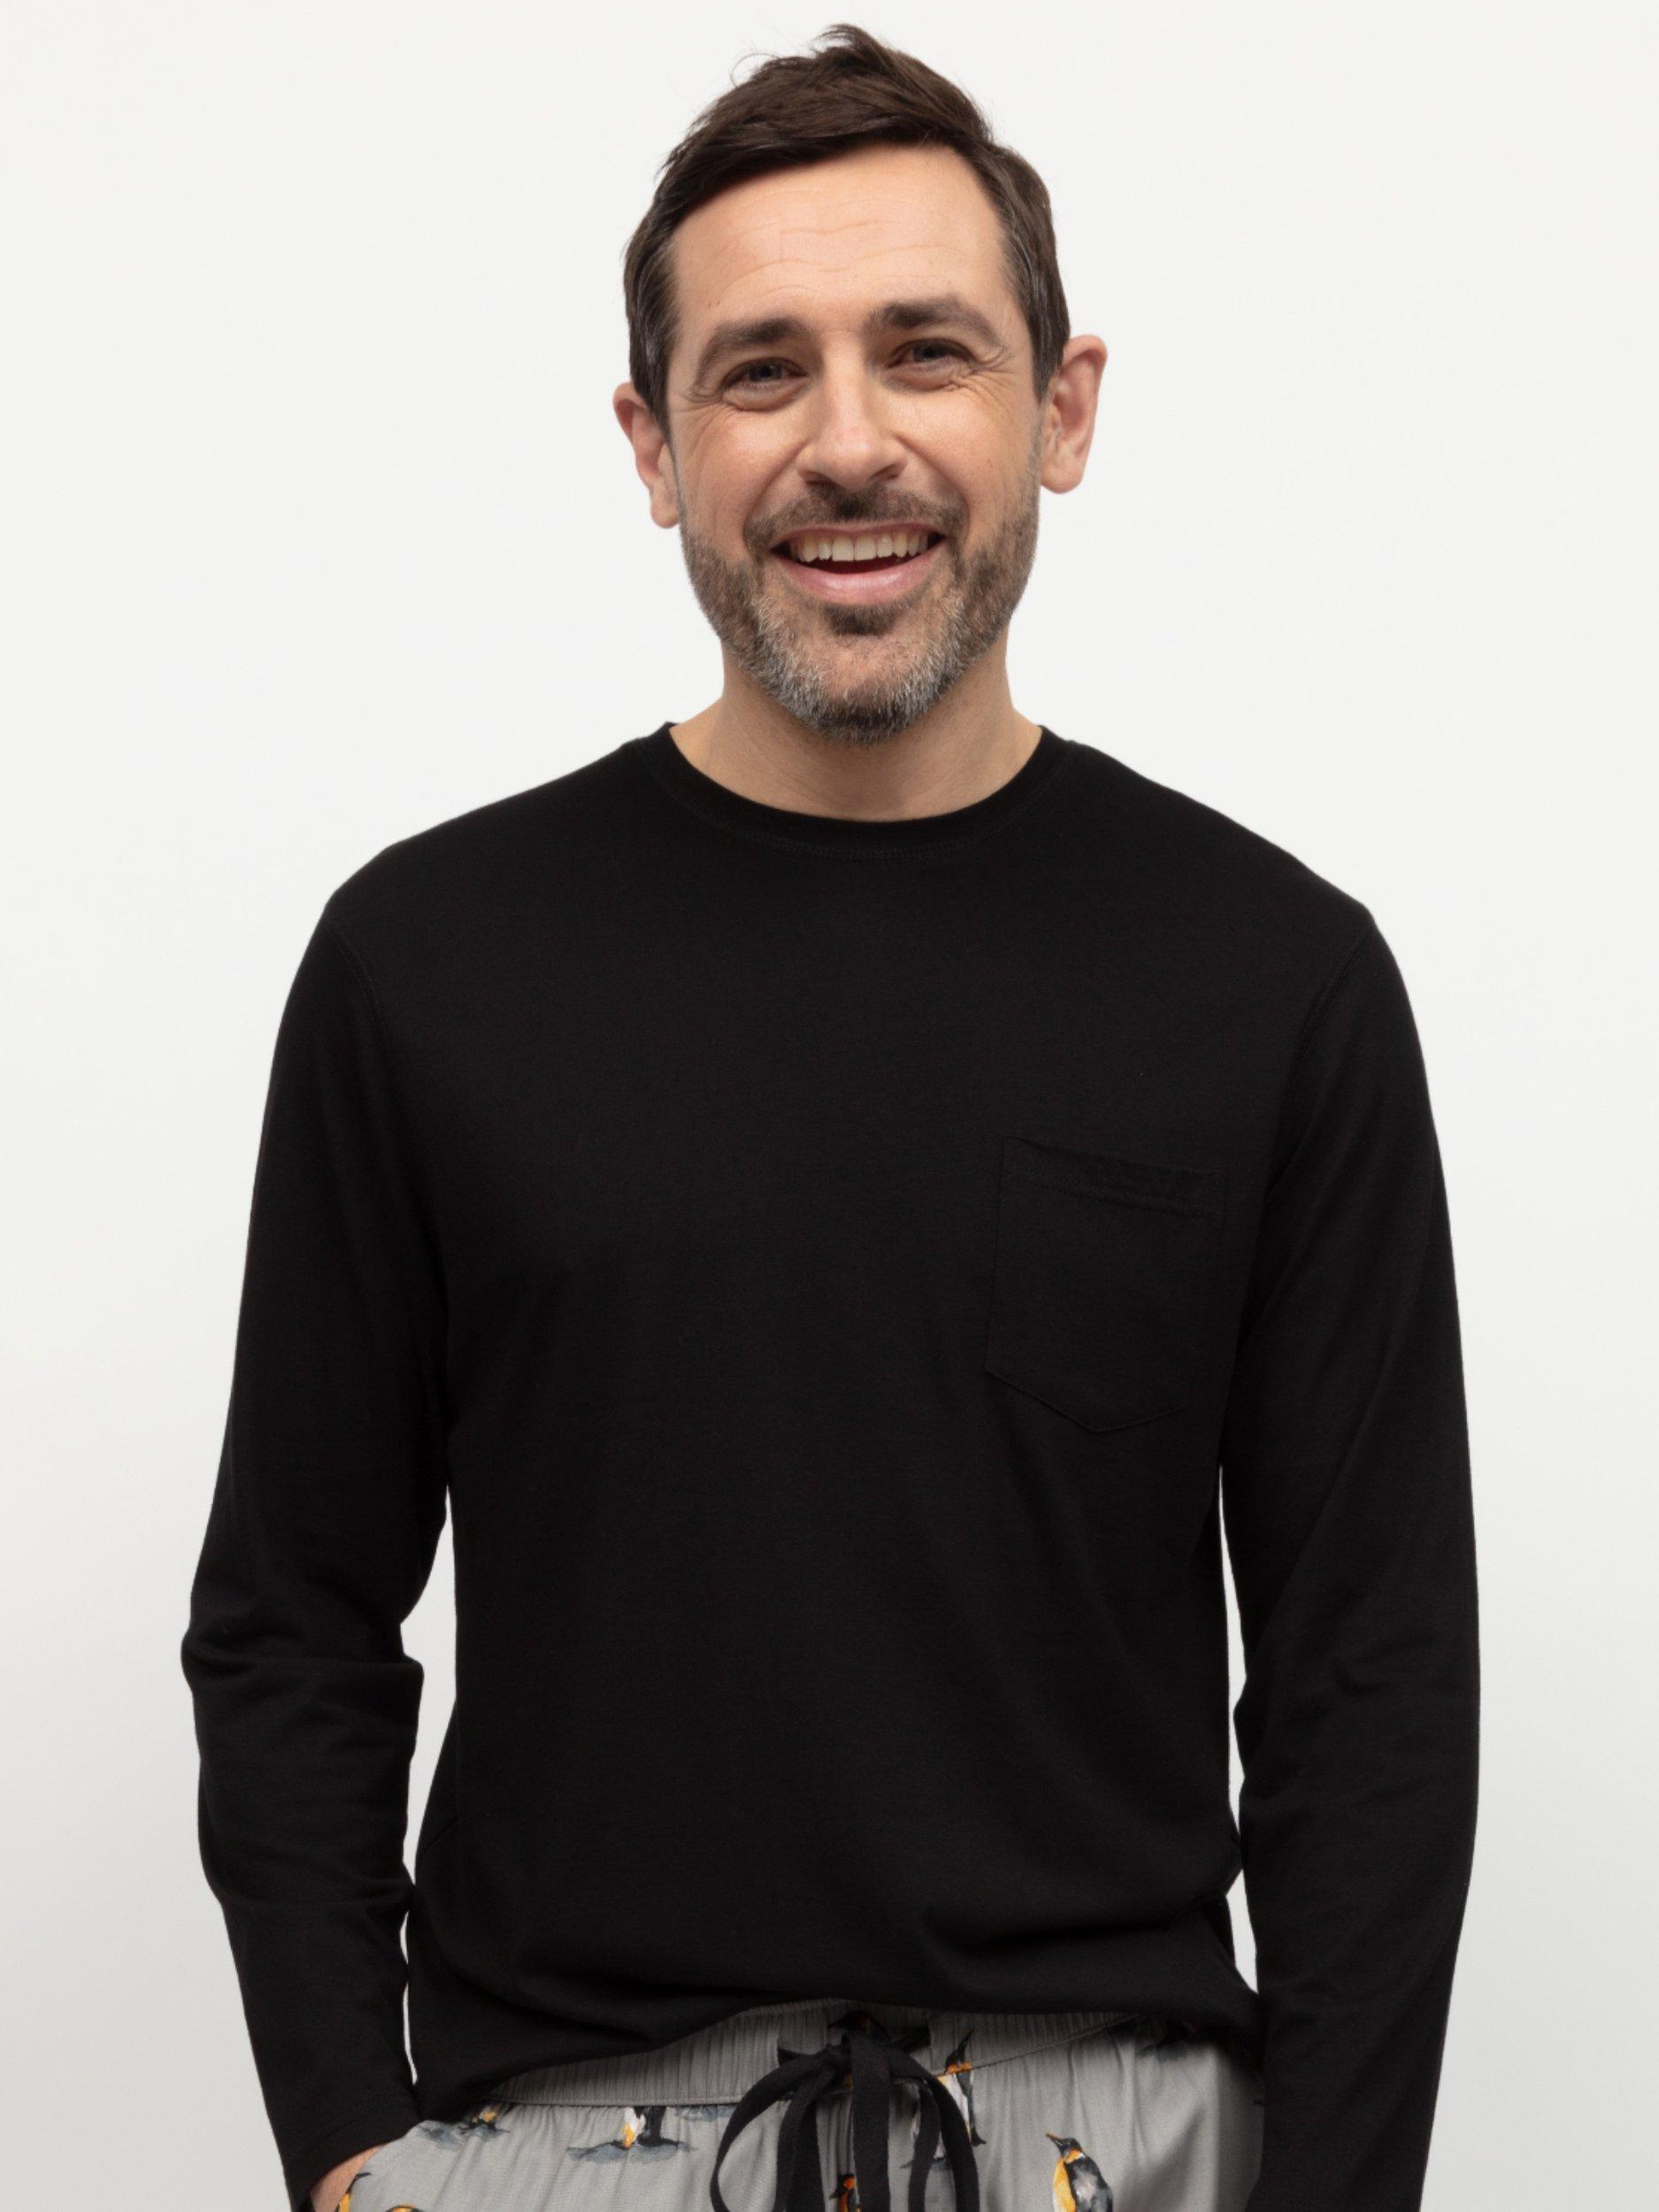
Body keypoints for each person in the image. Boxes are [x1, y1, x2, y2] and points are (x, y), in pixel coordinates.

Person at [180, 25, 1480, 2212]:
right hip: (562, 2144)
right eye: (759, 370)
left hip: (1117, 2141)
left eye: (927, 351)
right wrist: (351, 2155)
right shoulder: (425, 963)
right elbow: (293, 1616)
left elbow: (1369, 1680)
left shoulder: (1276, 979)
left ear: (1060, 407)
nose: (847, 442)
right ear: (653, 444)